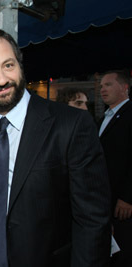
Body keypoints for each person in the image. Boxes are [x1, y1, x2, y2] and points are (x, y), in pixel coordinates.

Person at [0, 28, 111, 267]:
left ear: (20, 66)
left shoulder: (70, 125)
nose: (1, 80)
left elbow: (93, 221)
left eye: (8, 65)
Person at [99, 70, 132, 267]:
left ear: (124, 87)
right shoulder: (106, 116)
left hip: (123, 204)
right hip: (106, 199)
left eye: (108, 84)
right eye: (101, 85)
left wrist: (128, 197)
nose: (102, 89)